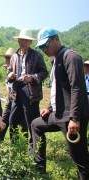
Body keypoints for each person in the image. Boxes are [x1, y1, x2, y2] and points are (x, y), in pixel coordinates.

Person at [31, 27, 89, 179]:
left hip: (70, 116)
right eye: (41, 46)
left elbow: (77, 87)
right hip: (58, 114)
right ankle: (40, 169)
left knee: (79, 158)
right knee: (36, 125)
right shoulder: (55, 59)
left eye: (46, 44)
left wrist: (75, 118)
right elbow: (59, 88)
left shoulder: (70, 57)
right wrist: (50, 108)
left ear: (56, 38)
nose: (44, 49)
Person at [7, 29, 48, 150]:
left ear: (30, 42)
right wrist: (9, 76)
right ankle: (14, 147)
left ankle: (33, 149)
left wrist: (32, 78)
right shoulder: (14, 56)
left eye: (26, 40)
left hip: (30, 92)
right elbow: (9, 71)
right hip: (16, 90)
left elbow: (44, 72)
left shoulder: (36, 55)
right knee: (13, 120)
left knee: (32, 122)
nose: (23, 41)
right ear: (18, 40)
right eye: (21, 39)